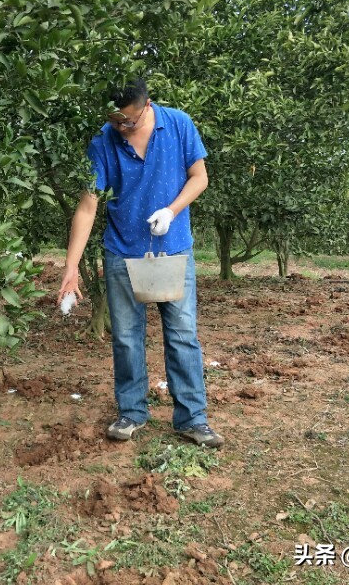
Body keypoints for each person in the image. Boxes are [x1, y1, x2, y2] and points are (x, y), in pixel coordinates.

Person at [56, 78, 224, 449]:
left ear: (147, 106)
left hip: (174, 249)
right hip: (122, 253)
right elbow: (88, 206)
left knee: (182, 336)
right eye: (115, 121)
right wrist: (71, 267)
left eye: (128, 121)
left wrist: (172, 209)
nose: (121, 128)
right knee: (128, 339)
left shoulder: (178, 124)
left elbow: (200, 177)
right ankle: (131, 411)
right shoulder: (103, 141)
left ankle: (192, 419)